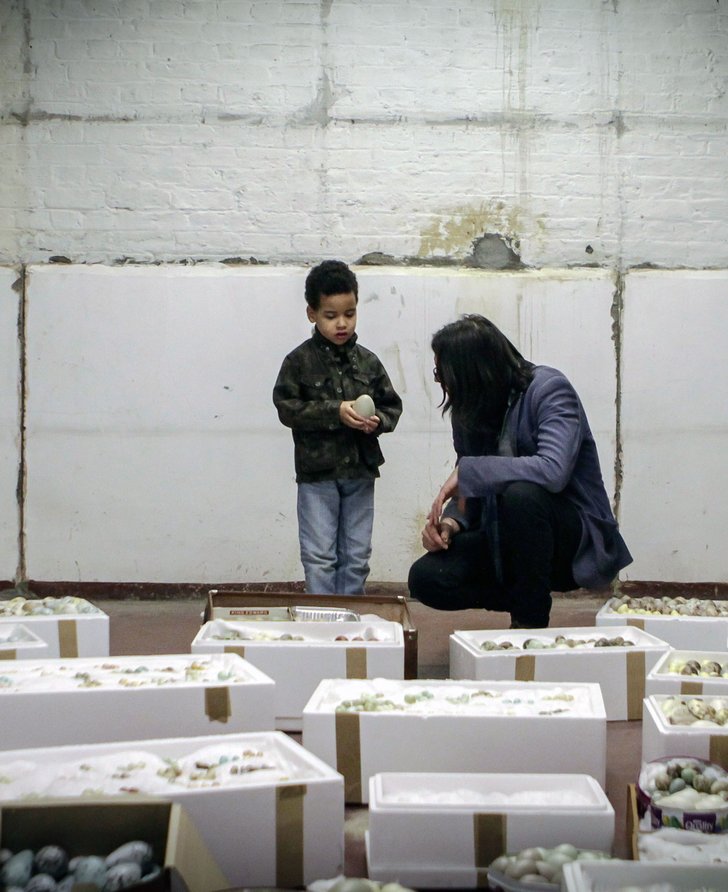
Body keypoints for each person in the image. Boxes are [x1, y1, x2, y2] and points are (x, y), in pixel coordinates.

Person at [408, 314, 632, 628]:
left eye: (442, 373)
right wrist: (450, 523)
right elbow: (469, 491)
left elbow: (553, 471)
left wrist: (471, 471)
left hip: (568, 538)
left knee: (522, 495)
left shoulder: (549, 390)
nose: (440, 382)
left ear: (474, 374)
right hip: (503, 535)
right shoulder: (469, 410)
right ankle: (525, 594)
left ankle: (529, 622)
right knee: (425, 579)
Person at [273, 260, 403, 594]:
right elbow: (287, 408)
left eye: (350, 313)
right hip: (317, 475)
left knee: (357, 556)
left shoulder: (368, 361)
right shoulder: (298, 362)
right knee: (319, 557)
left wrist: (377, 422)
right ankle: (322, 625)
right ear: (311, 313)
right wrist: (335, 411)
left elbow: (392, 406)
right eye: (331, 316)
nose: (341, 323)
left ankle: (350, 621)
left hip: (360, 472)